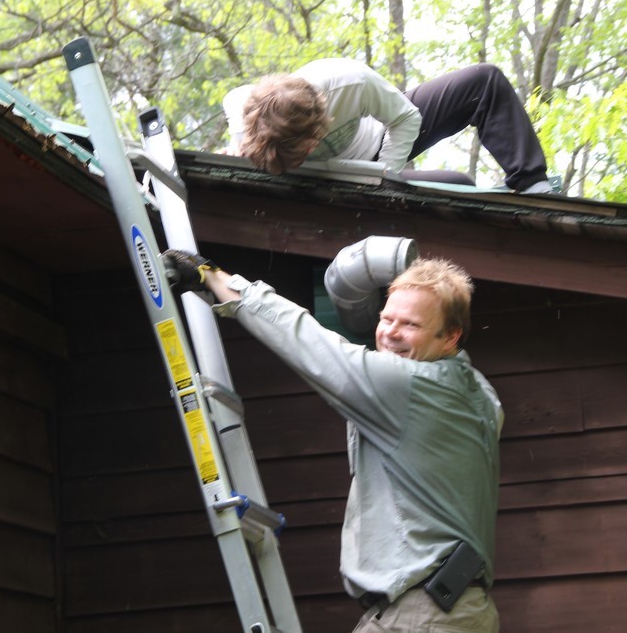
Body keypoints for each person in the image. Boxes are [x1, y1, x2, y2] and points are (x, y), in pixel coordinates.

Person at [164, 249, 504, 632]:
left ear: (450, 337)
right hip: (448, 608)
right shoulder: (480, 394)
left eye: (409, 325)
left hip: (422, 615)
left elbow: (311, 344)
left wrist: (214, 279)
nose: (390, 332)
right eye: (386, 318)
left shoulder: (409, 384)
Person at [222, 57, 551, 193]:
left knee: (483, 80)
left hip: (380, 151)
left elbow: (406, 117)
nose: (310, 151)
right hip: (343, 178)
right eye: (301, 153)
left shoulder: (349, 82)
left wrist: (384, 177)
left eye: (309, 144)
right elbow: (239, 138)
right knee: (460, 184)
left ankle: (533, 184)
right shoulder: (244, 116)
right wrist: (238, 155)